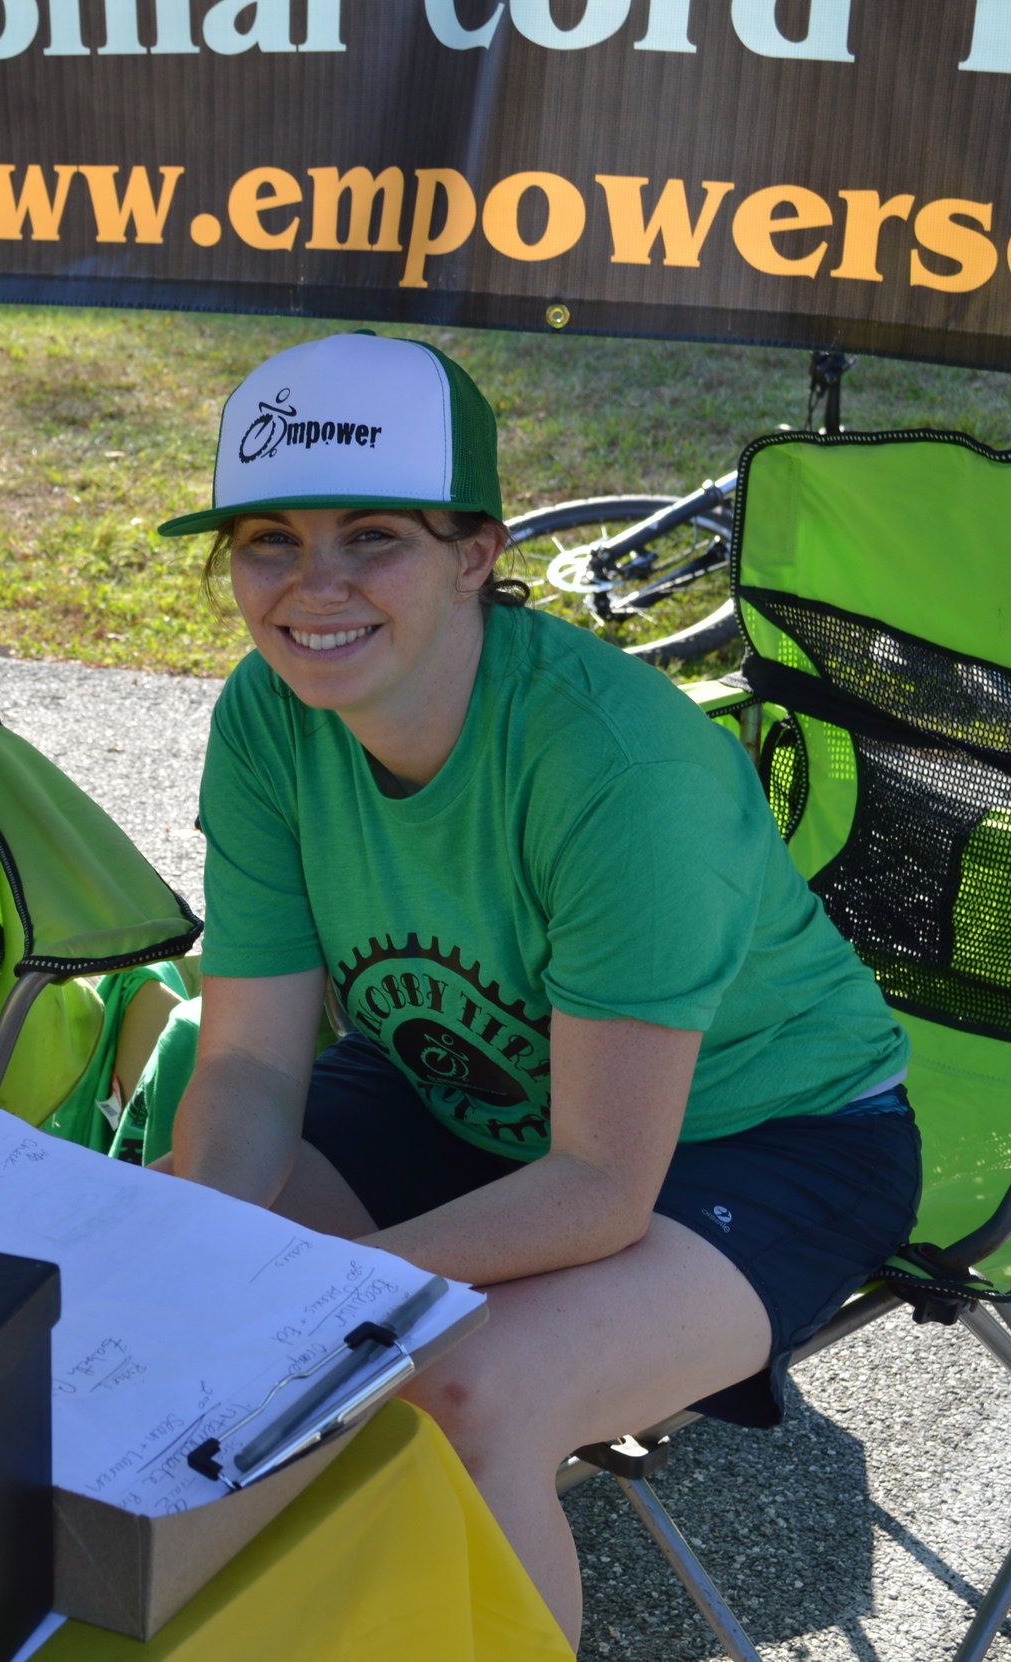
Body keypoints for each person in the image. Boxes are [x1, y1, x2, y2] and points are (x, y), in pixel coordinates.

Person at [154, 333, 918, 1641]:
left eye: (373, 535)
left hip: (762, 1135)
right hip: (460, 1088)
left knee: (457, 1393)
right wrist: (197, 1264)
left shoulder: (622, 768)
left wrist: (345, 1287)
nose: (309, 586)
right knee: (191, 1255)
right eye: (267, 539)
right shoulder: (267, 714)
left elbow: (599, 1187)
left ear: (476, 553)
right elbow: (248, 1068)